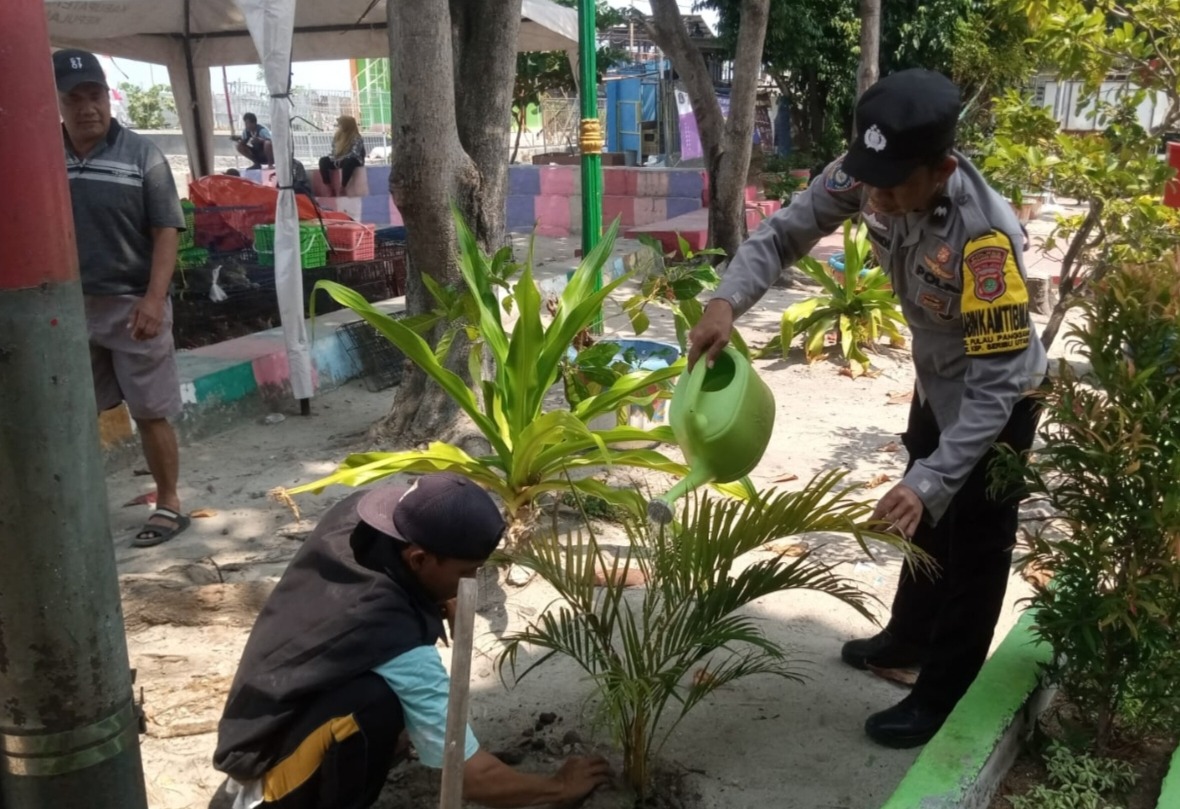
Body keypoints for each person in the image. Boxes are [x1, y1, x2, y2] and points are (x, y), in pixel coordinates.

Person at [687, 69, 1049, 749]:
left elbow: (998, 382)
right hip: (937, 377)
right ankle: (908, 636)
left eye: (891, 185)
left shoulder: (985, 237)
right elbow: (785, 231)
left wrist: (933, 478)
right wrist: (724, 300)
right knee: (919, 520)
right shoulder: (872, 170)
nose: (874, 197)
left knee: (971, 542)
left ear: (941, 168)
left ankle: (942, 694)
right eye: (869, 178)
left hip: (997, 399)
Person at [213, 473, 610, 808]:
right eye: (466, 572)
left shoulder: (359, 519)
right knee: (376, 704)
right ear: (418, 559)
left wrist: (442, 593)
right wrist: (558, 789)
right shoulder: (387, 633)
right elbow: (469, 775)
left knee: (381, 700)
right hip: (264, 783)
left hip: (267, 713)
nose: (471, 585)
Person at [54, 49, 191, 548]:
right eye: (75, 99)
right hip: (68, 309)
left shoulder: (143, 155)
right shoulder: (43, 154)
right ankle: (77, 504)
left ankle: (170, 502)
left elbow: (166, 231)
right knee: (70, 409)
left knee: (150, 411)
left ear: (107, 98)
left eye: (95, 96)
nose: (87, 107)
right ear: (61, 103)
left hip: (134, 304)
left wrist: (154, 300)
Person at [318, 114, 366, 191]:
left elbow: (354, 153)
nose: (339, 126)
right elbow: (334, 150)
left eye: (341, 124)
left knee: (349, 162)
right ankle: (328, 186)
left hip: (352, 159)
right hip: (338, 159)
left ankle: (343, 186)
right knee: (323, 160)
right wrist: (335, 158)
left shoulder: (356, 137)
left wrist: (341, 159)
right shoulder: (338, 136)